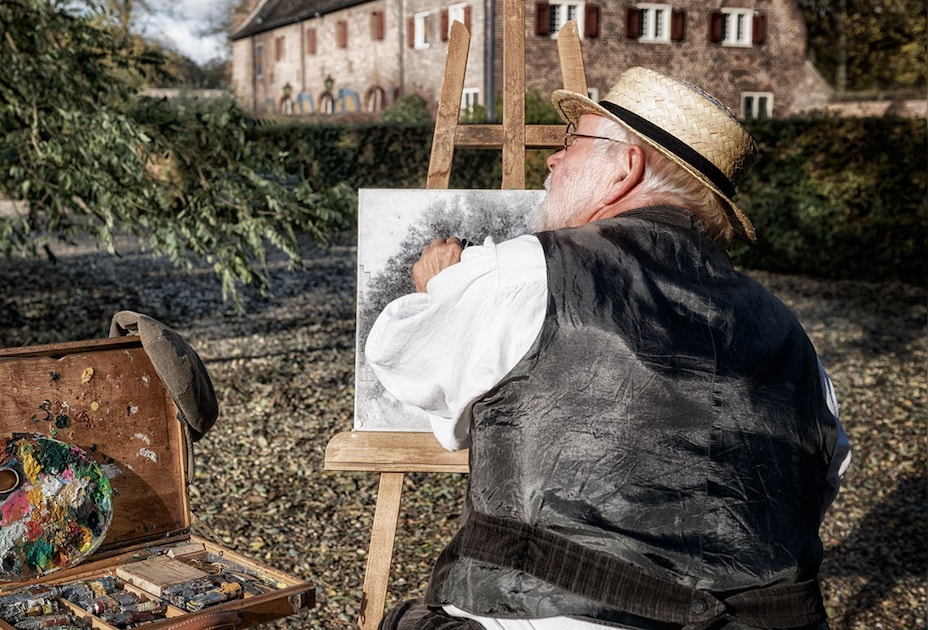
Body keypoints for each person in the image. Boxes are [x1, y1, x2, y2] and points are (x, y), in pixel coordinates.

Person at [364, 67, 851, 630]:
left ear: (627, 166)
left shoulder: (530, 269)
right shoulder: (790, 333)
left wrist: (437, 289)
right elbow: (821, 475)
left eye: (573, 142)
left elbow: (404, 362)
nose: (552, 158)